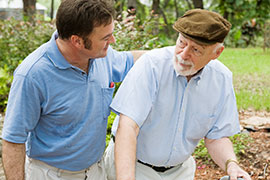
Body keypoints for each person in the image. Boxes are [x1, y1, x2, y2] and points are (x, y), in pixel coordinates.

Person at [1, 0, 146, 179]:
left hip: (95, 172)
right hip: (52, 175)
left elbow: (134, 60)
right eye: (105, 37)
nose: (113, 41)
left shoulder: (103, 57)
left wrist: (177, 53)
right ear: (77, 41)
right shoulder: (32, 75)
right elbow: (13, 140)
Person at [104, 9, 252, 180]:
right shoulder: (151, 65)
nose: (183, 54)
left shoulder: (221, 79)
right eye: (182, 42)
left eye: (196, 50)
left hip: (180, 171)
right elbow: (128, 127)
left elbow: (216, 138)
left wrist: (231, 165)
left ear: (216, 53)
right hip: (133, 166)